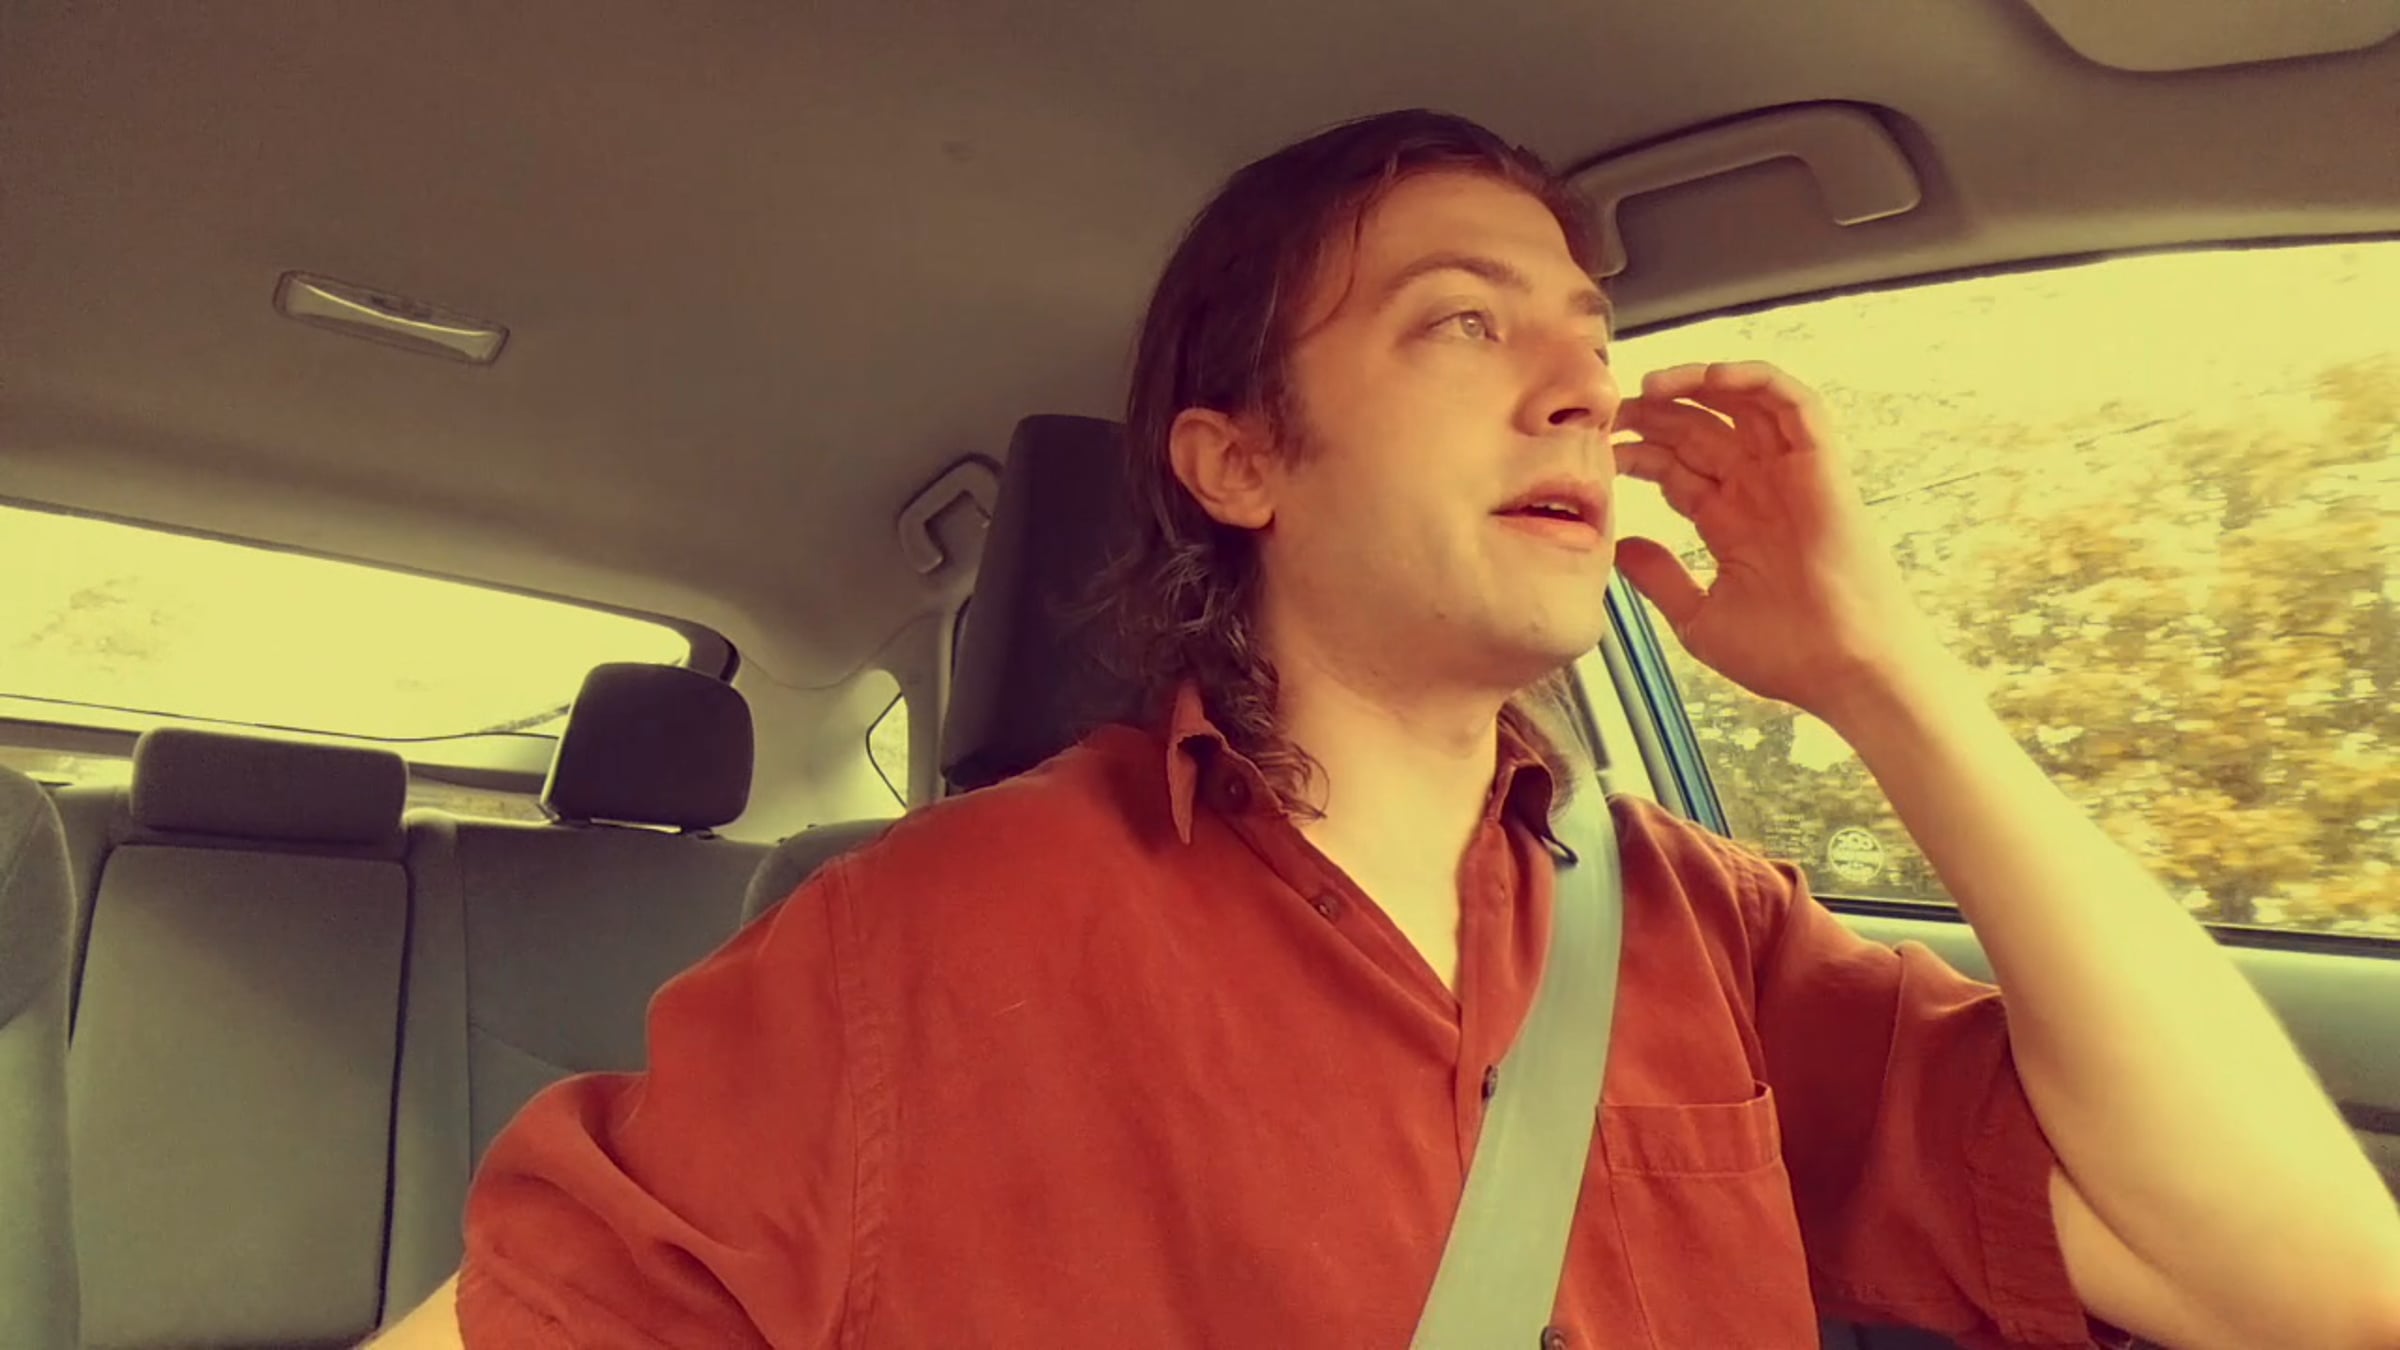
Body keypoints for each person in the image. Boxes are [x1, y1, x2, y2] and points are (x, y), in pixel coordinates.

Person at [376, 110, 2400, 1349]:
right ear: (1240, 458)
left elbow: (2311, 1287)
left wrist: (1885, 675)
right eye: (1464, 320)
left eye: (1591, 340)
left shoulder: (1712, 937)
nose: (1582, 388)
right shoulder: (912, 943)